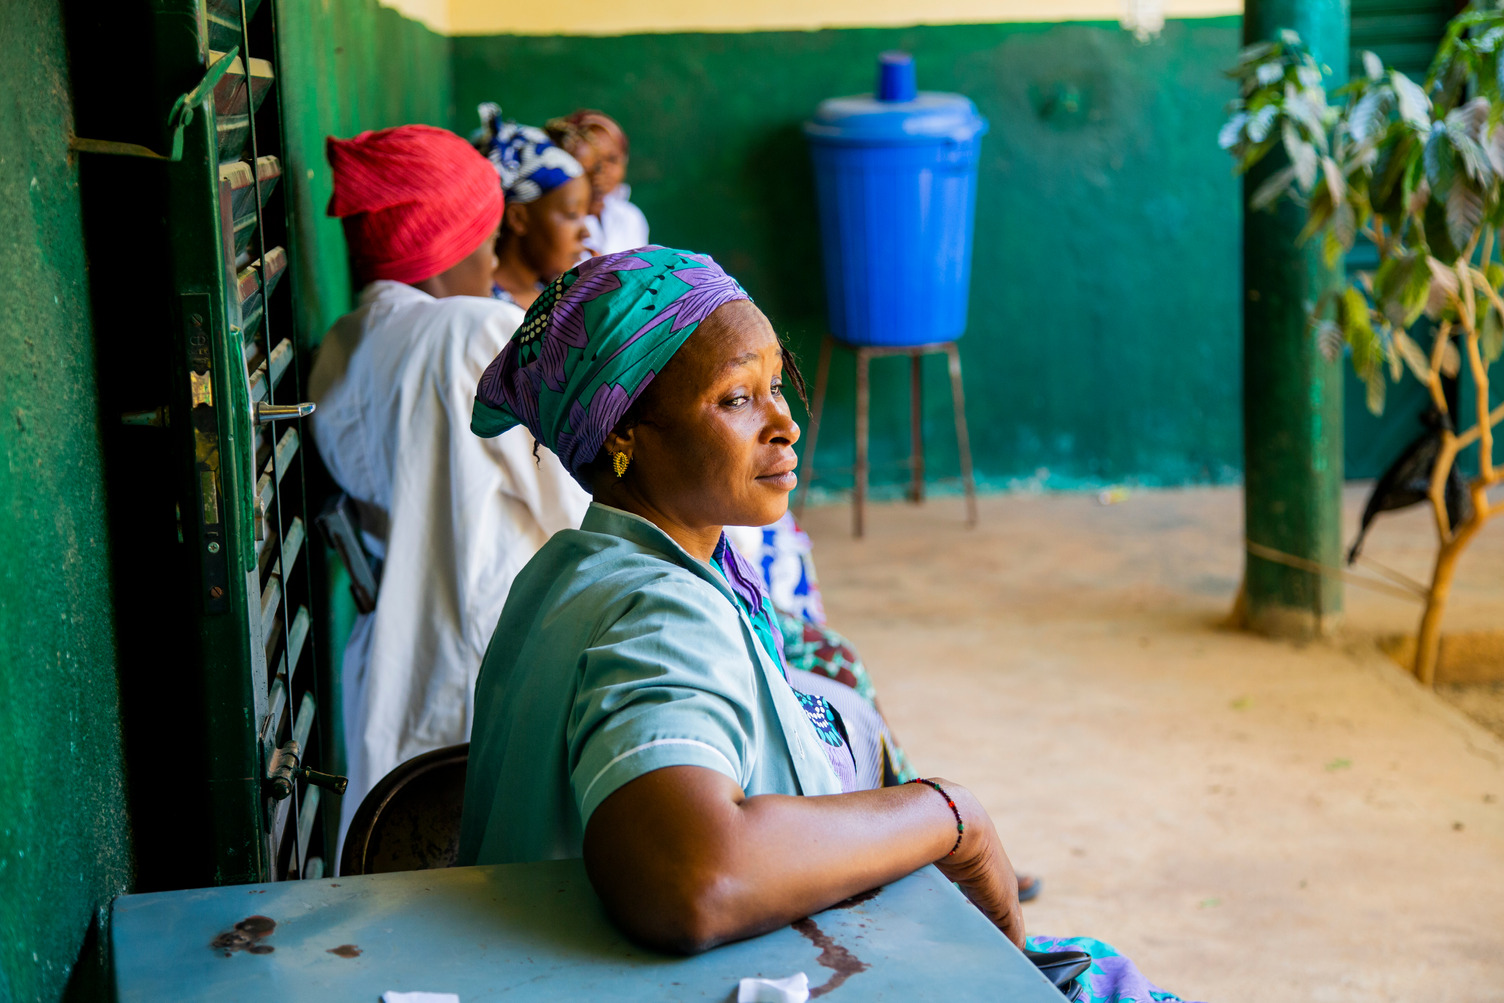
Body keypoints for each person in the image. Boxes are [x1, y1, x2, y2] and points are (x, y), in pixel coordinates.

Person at [458, 246, 1195, 1001]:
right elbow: (693, 876)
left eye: (776, 387)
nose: (784, 422)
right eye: (735, 399)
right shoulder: (662, 611)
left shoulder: (566, 571)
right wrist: (951, 813)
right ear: (623, 435)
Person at [308, 124, 589, 850]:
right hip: (502, 661)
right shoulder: (474, 331)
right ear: (443, 244)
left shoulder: (342, 346)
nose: (493, 257)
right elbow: (581, 503)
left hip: (394, 671)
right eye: (486, 236)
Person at [475, 104, 592, 310]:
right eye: (572, 215)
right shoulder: (487, 307)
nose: (586, 232)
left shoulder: (557, 297)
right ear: (518, 218)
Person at [563, 109, 649, 255]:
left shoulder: (630, 218)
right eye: (591, 160)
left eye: (612, 159)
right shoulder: (560, 223)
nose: (601, 170)